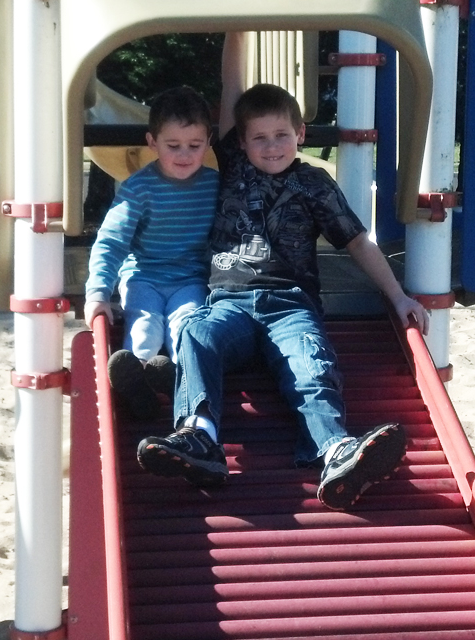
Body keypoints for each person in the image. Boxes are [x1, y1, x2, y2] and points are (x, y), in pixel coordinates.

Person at [136, 33, 429, 511]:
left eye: (282, 135)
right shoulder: (233, 163)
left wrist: (398, 297)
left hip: (289, 305)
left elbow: (357, 240)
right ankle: (199, 437)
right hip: (228, 304)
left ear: (301, 135)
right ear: (241, 140)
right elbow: (231, 87)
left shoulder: (313, 183)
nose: (271, 146)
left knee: (310, 362)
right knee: (195, 333)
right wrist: (236, 30)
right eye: (259, 137)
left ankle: (336, 451)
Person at [84, 86, 219, 419]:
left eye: (194, 145)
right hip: (143, 275)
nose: (184, 154)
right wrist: (98, 292)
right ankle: (138, 380)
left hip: (190, 278)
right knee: (144, 324)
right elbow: (111, 241)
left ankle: (174, 378)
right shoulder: (139, 187)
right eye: (173, 145)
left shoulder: (214, 185)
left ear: (208, 142)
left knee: (187, 324)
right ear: (153, 142)